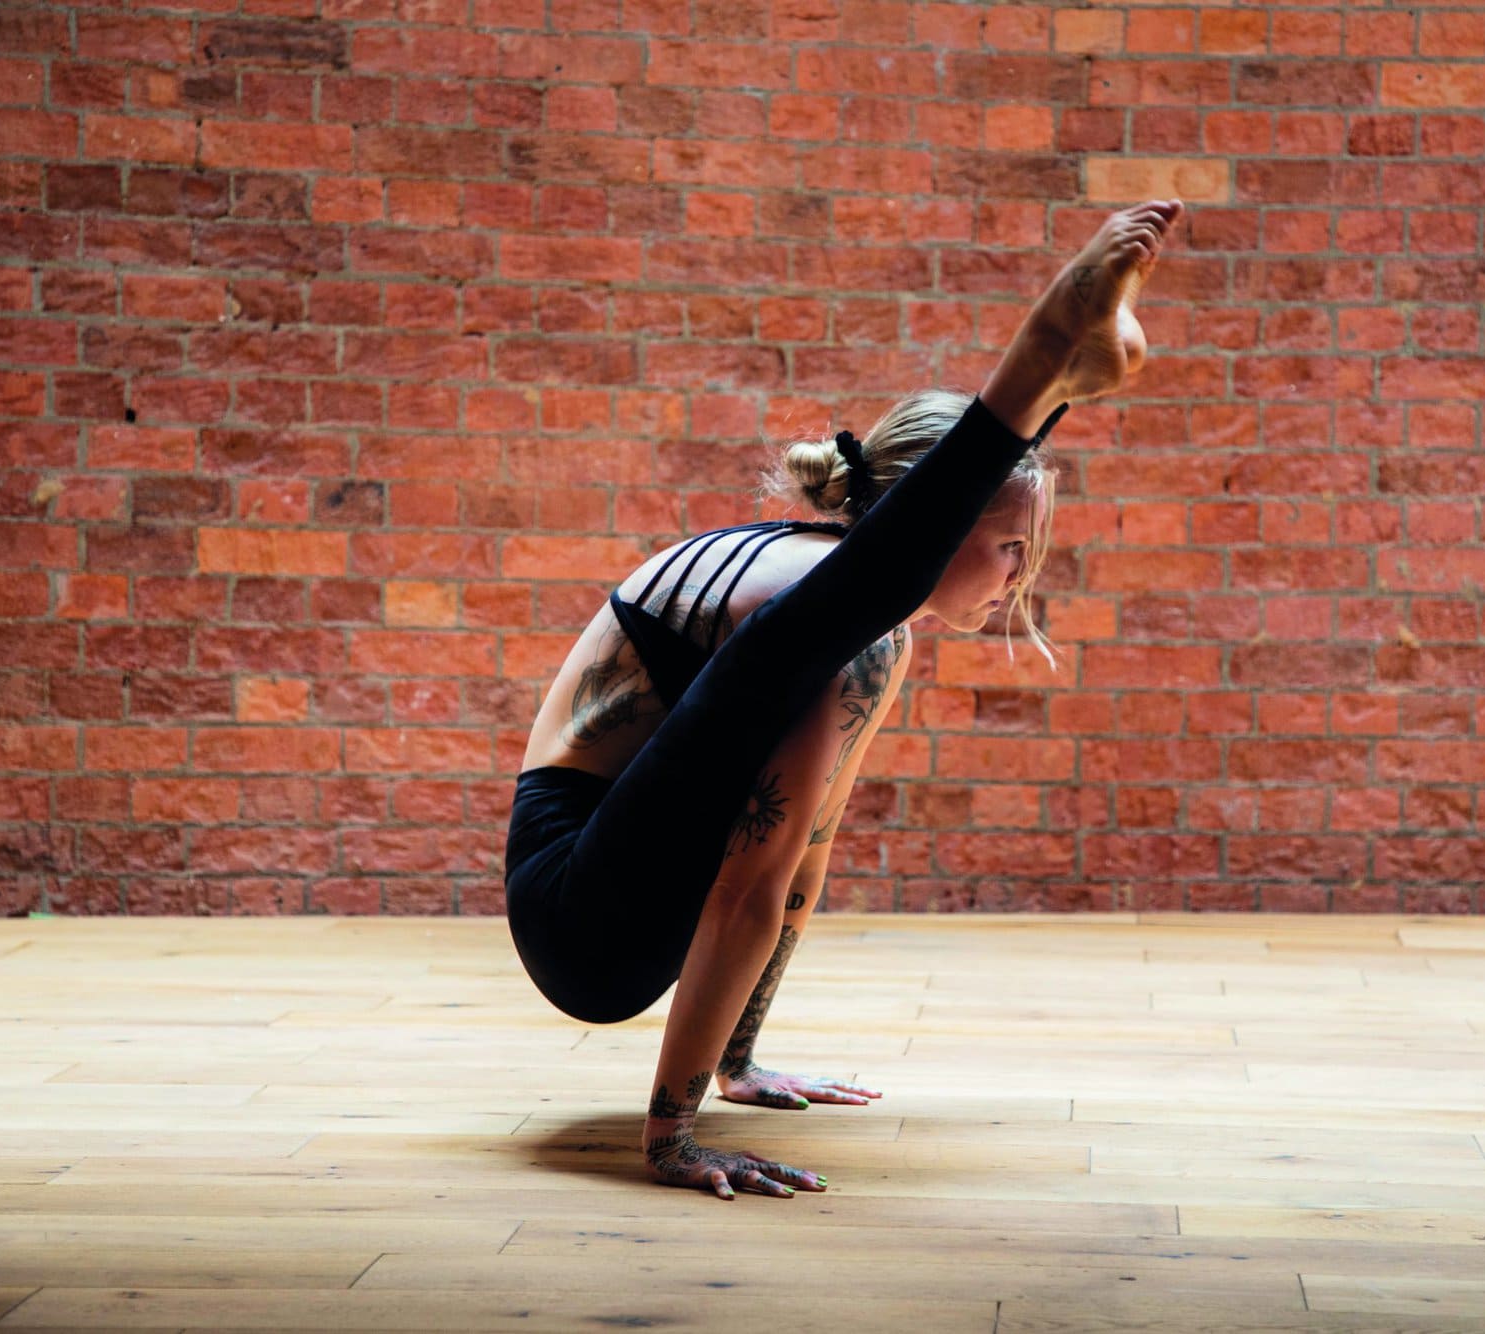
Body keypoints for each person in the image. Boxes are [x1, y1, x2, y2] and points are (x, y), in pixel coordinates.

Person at [505, 200, 1184, 1199]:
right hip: (582, 922)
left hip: (610, 880)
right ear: (930, 514)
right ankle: (1040, 362)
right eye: (1008, 545)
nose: (1016, 574)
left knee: (862, 611)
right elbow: (749, 886)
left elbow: (803, 844)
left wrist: (737, 1058)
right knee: (867, 603)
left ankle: (1050, 378)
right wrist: (671, 1138)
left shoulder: (829, 609)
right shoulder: (829, 616)